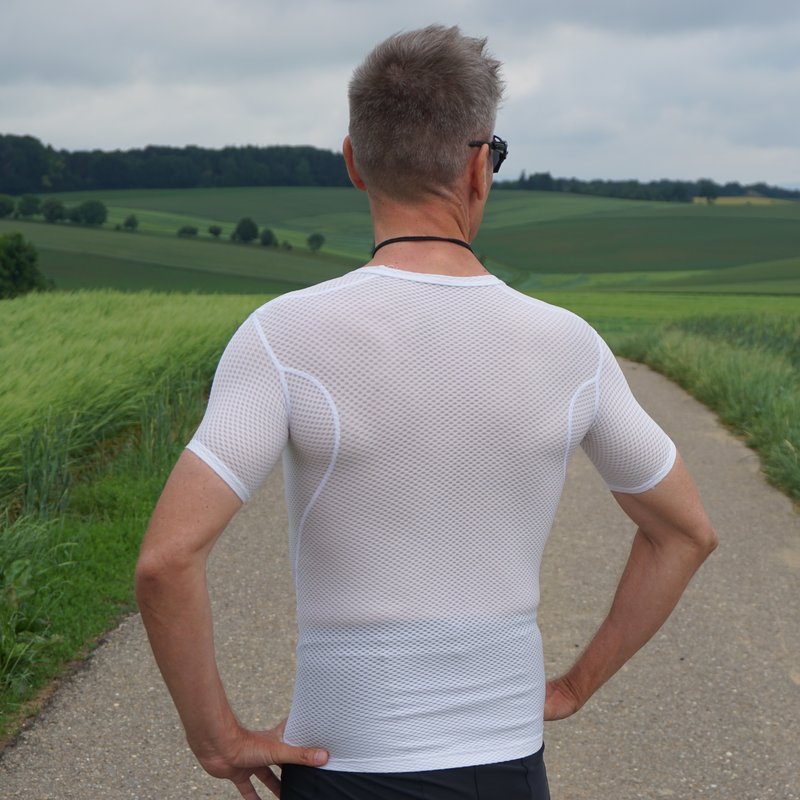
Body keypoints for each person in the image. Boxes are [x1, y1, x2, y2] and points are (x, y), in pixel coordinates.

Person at [135, 24, 718, 800]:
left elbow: (166, 561)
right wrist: (576, 686)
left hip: (347, 766)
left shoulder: (285, 336)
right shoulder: (570, 346)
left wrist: (218, 738)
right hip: (507, 765)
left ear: (353, 161)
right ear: (479, 166)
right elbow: (685, 532)